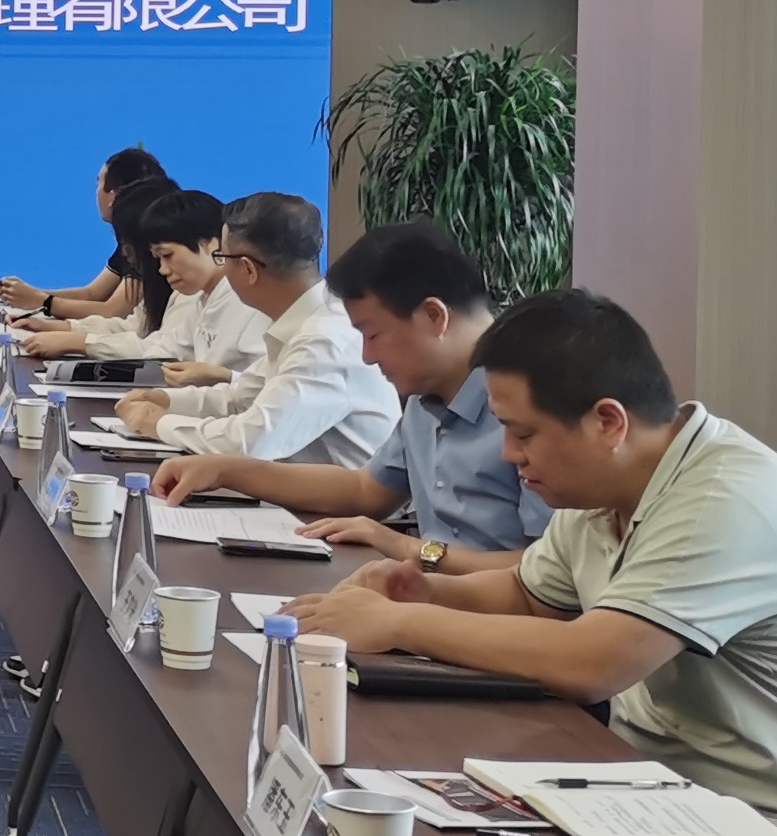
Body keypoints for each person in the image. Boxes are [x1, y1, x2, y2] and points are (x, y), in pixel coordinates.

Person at [289, 289, 777, 836]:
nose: (510, 455)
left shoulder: (726, 501)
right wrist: (421, 593)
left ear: (608, 422)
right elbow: (532, 598)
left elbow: (591, 662)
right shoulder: (607, 491)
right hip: (679, 802)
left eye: (523, 433)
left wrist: (397, 624)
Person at [152, 218, 548, 573]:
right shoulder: (426, 396)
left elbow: (550, 572)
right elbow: (365, 490)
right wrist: (224, 470)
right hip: (428, 594)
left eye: (373, 335)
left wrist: (410, 549)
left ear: (434, 316)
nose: (367, 357)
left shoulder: (538, 405)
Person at [113, 193, 398, 465]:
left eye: (222, 258)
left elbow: (250, 443)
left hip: (333, 498)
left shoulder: (323, 340)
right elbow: (241, 398)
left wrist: (157, 423)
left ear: (248, 269)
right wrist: (164, 399)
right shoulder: (304, 319)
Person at [19, 188, 267, 379]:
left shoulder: (245, 303)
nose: (162, 269)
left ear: (211, 244)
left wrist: (77, 341)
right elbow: (162, 348)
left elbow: (255, 395)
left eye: (168, 255)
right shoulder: (203, 297)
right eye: (158, 258)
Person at [0, 145, 168, 323]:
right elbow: (93, 294)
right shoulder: (130, 238)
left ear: (113, 195)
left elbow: (113, 312)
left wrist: (42, 301)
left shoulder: (145, 240)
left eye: (99, 184)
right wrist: (30, 295)